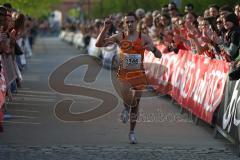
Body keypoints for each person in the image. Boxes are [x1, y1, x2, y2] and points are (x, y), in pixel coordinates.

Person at [95, 12, 161, 144]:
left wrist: (153, 49)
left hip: (139, 74)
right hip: (125, 72)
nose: (130, 24)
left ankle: (131, 132)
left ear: (136, 22)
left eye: (132, 21)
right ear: (124, 24)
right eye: (127, 22)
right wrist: (105, 28)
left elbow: (159, 55)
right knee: (127, 96)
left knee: (135, 105)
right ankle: (125, 108)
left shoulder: (144, 38)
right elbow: (98, 44)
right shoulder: (120, 36)